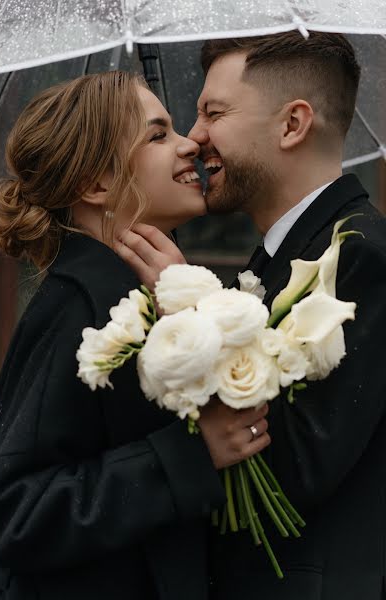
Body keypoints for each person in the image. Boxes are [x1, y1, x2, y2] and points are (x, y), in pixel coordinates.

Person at [117, 32, 386, 599]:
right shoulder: (276, 255)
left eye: (214, 112)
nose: (195, 137)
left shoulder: (360, 255)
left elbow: (298, 468)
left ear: (292, 125)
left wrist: (190, 306)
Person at [0, 70, 271, 600]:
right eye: (158, 135)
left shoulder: (137, 294)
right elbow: (12, 510)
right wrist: (189, 455)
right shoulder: (78, 305)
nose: (191, 143)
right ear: (96, 184)